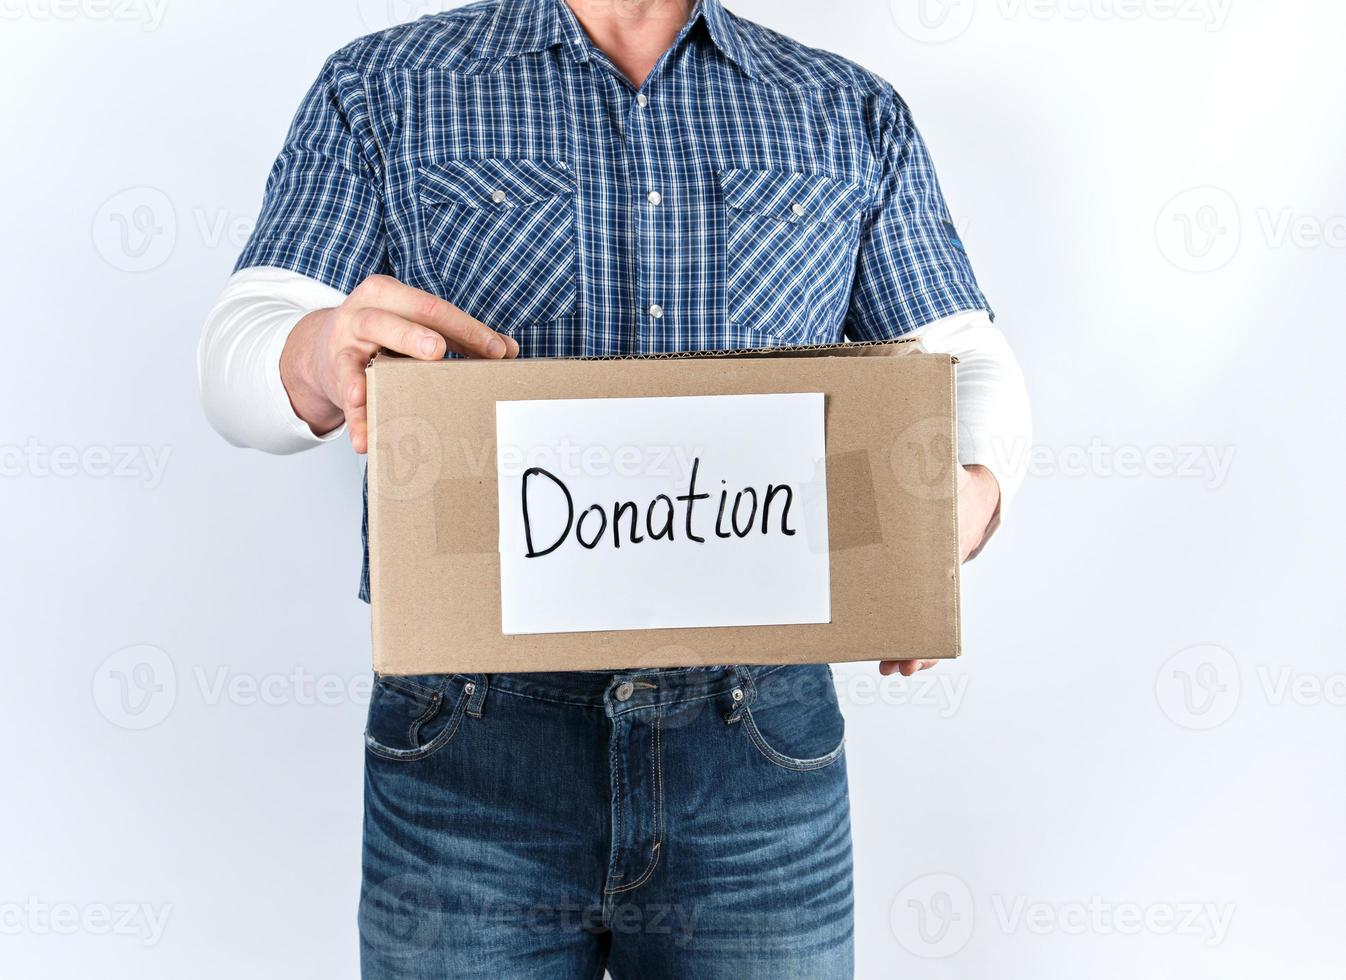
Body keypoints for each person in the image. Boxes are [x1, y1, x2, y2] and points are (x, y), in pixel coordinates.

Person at [198, 0, 1031, 975]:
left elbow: (962, 356)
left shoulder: (845, 109)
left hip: (756, 742)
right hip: (471, 738)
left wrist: (958, 501)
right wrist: (312, 350)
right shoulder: (382, 86)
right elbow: (244, 339)